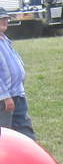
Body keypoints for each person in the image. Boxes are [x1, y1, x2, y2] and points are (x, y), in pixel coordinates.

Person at [0, 8, 37, 141]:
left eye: (5, 18)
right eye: (1, 18)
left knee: (24, 129)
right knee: (5, 132)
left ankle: (30, 156)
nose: (4, 21)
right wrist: (5, 97)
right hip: (4, 98)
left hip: (17, 93)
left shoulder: (5, 40)